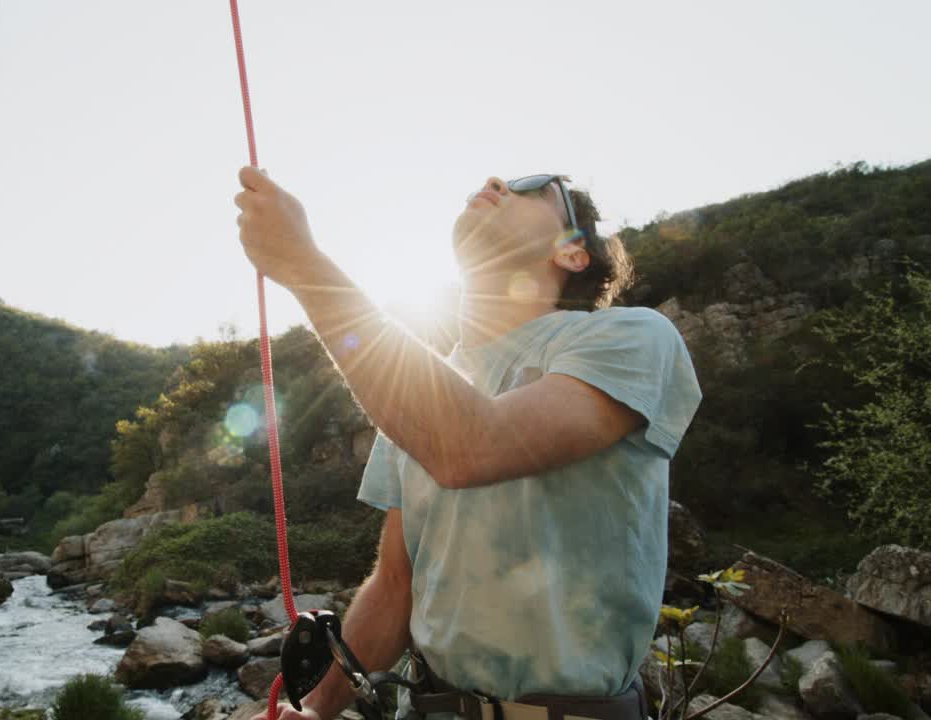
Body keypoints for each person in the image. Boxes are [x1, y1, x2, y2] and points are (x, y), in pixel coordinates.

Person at [234, 167, 702, 720]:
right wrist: (317, 709)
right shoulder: (416, 397)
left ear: (572, 253)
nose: (499, 181)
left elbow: (470, 446)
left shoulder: (631, 337)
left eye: (535, 188)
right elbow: (394, 587)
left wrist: (304, 267)